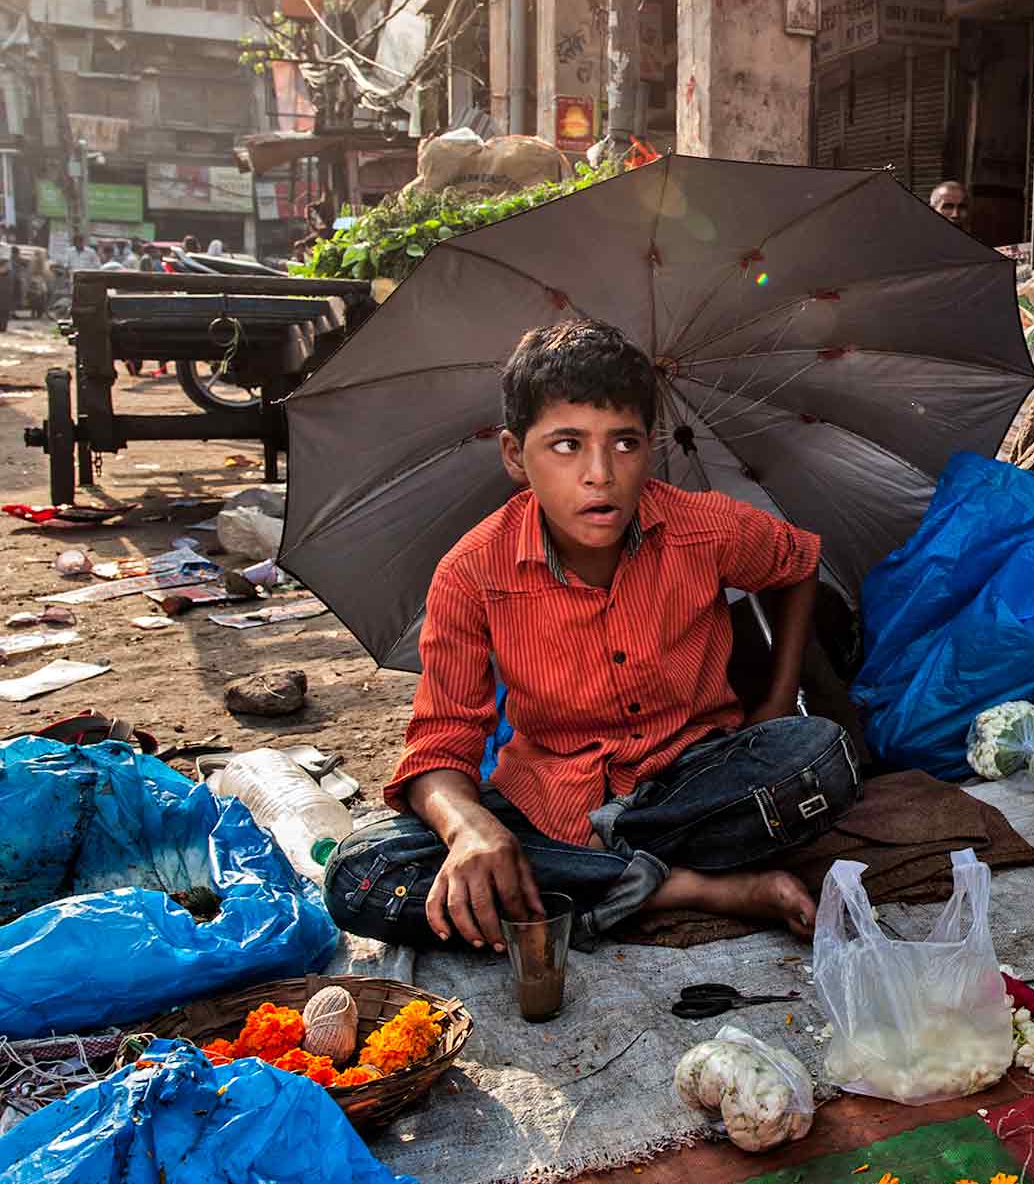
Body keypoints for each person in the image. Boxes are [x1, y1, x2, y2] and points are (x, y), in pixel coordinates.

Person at [323, 319, 860, 953]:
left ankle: (585, 885)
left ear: (651, 448)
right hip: (550, 805)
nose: (600, 473)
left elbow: (797, 562)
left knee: (823, 756)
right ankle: (692, 888)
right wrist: (471, 828)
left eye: (624, 443)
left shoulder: (701, 528)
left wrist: (777, 697)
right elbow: (440, 745)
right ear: (514, 455)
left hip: (689, 781)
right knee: (359, 873)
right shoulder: (472, 572)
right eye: (567, 445)